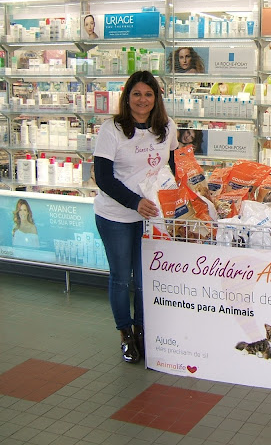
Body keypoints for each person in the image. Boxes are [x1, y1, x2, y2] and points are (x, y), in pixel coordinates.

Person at [93, 71, 179, 364]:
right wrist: (134, 202)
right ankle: (125, 333)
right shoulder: (112, 129)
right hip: (116, 215)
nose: (143, 100)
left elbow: (172, 166)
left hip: (151, 217)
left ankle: (143, 330)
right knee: (121, 278)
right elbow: (103, 177)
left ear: (156, 98)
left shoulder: (166, 127)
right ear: (127, 97)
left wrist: (175, 199)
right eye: (137, 94)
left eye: (149, 94)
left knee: (145, 279)